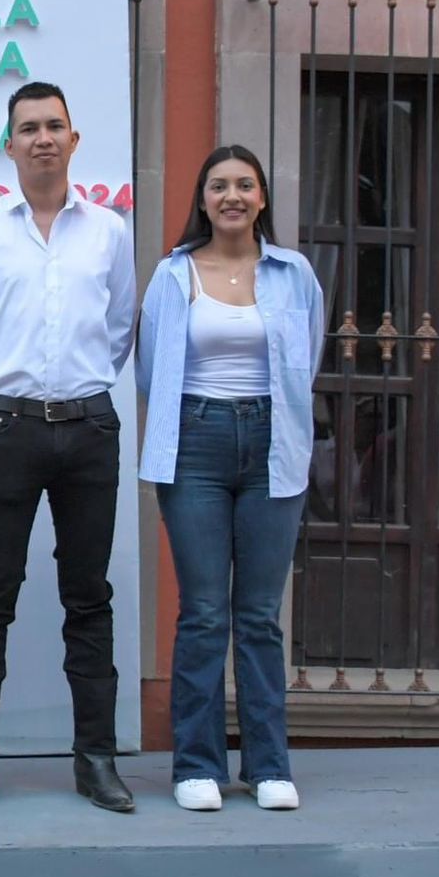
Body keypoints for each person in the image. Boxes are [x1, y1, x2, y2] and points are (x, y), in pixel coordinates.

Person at [0, 81, 137, 814]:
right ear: (9, 144)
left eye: (56, 125)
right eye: (29, 128)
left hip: (88, 429)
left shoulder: (109, 231)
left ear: (74, 140)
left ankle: (96, 761)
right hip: (6, 430)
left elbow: (118, 331)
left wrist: (74, 392)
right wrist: (5, 400)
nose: (43, 138)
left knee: (89, 597)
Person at [136, 145, 323, 812]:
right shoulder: (174, 274)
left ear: (262, 198)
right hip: (196, 443)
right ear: (203, 200)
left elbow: (308, 360)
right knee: (205, 612)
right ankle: (197, 766)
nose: (233, 196)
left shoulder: (293, 274)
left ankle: (268, 764)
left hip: (274, 442)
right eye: (220, 185)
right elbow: (153, 370)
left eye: (245, 185)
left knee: (259, 617)